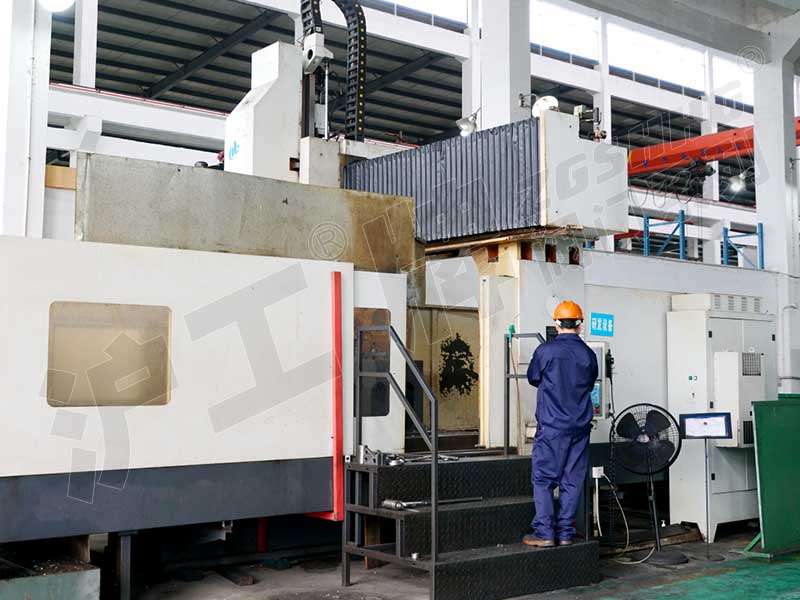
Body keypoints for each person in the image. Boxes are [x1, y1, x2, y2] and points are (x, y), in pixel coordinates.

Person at [523, 300, 598, 548]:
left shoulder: (545, 351)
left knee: (544, 479)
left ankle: (545, 532)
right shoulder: (589, 354)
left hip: (553, 427)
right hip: (580, 428)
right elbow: (590, 383)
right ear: (580, 325)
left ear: (556, 324)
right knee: (572, 480)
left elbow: (533, 377)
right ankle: (565, 533)